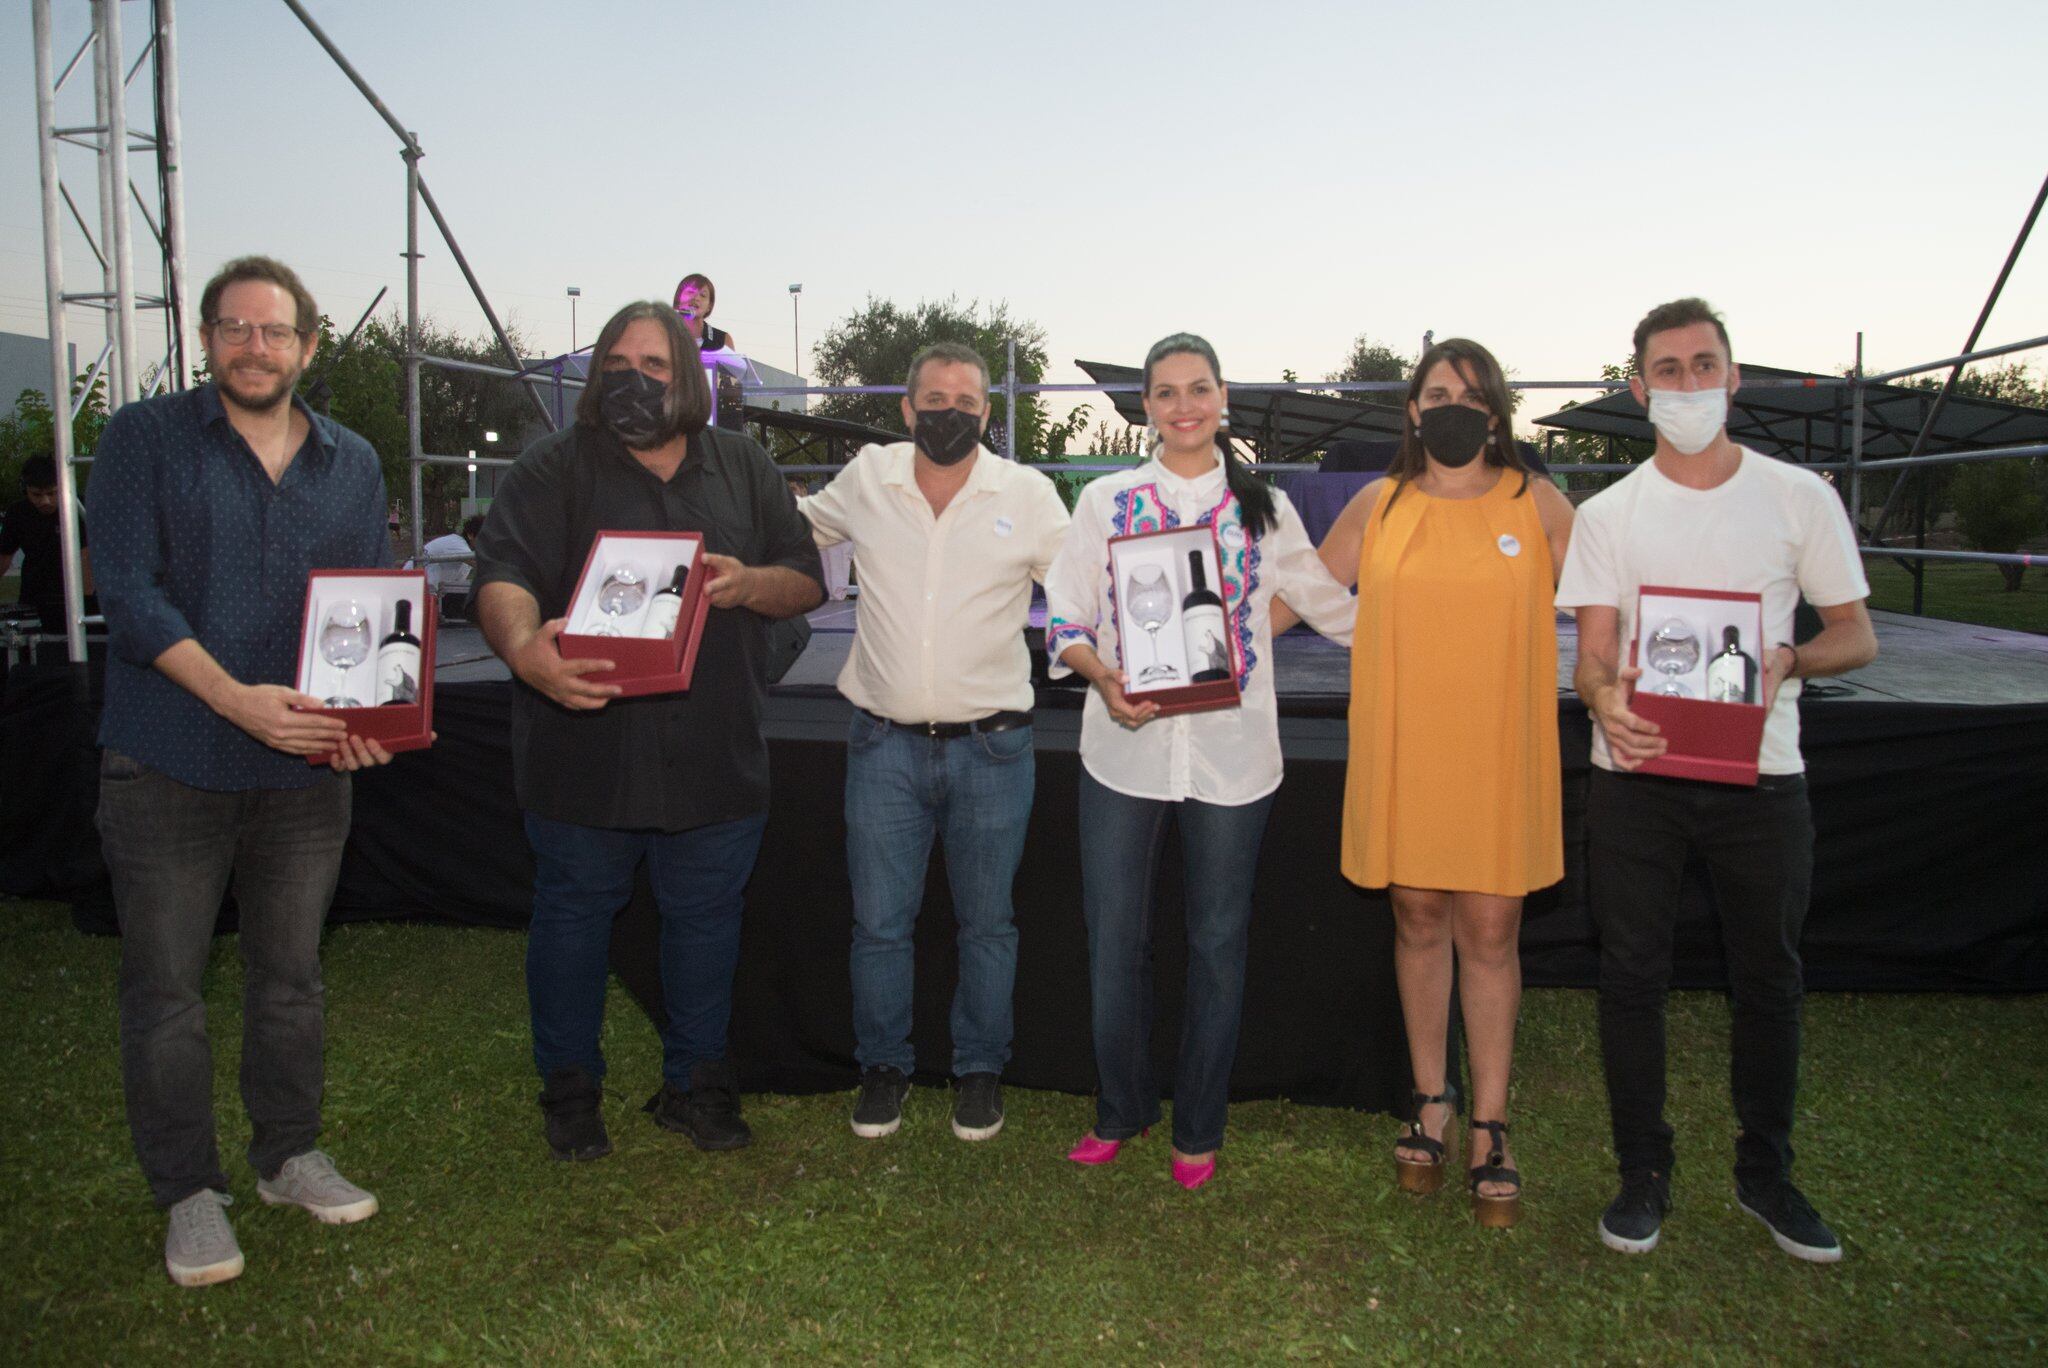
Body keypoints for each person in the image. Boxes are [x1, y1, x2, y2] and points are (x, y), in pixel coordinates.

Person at [85, 255, 397, 1288]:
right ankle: (188, 1192)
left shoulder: (351, 462)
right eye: (233, 328)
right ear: (206, 339)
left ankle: (286, 1155)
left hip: (304, 774)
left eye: (274, 332)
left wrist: (361, 719)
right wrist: (233, 699)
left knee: (292, 979)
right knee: (167, 990)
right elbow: (129, 595)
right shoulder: (142, 440)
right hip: (169, 755)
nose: (253, 347)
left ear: (309, 346)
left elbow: (359, 608)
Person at [1555, 298, 1877, 1262]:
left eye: (1704, 365)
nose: (1687, 384)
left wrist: (1786, 662)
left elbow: (1856, 633)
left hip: (1764, 777)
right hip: (1636, 778)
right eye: (1668, 368)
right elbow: (1592, 658)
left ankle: (1766, 1173)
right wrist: (1605, 701)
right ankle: (1641, 1171)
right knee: (1631, 977)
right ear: (1639, 384)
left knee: (1769, 976)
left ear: (1734, 378)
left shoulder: (1798, 498)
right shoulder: (1607, 514)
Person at [473, 300, 823, 1163]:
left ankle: (695, 1085)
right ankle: (570, 1090)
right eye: (618, 365)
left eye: (656, 367)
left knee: (706, 922)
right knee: (572, 920)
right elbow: (503, 570)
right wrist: (523, 648)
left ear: (689, 378)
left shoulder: (743, 466)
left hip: (714, 746)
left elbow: (806, 581)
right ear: (597, 378)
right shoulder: (550, 467)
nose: (636, 380)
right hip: (583, 747)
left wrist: (750, 584)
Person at [1044, 333, 1356, 1190]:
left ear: (1222, 400)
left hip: (1231, 756)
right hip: (1123, 750)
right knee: (1114, 940)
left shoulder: (1266, 508)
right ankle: (1119, 1109)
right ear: (1145, 406)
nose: (1185, 406)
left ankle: (1199, 1126)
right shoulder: (1106, 503)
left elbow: (1331, 606)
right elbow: (1064, 617)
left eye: (1200, 389)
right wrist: (1103, 678)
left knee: (1217, 943)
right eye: (1167, 392)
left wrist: (1424, 646)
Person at [1313, 338, 1574, 1228]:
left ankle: (1491, 1123)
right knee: (1418, 913)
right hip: (1407, 743)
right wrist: (1199, 657)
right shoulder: (1377, 503)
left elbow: (1615, 597)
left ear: (1495, 414)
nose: (1451, 404)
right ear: (1413, 411)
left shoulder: (1536, 500)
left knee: (1491, 928)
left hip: (1498, 747)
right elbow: (1299, 595)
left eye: (1469, 392)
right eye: (1435, 391)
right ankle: (1432, 1099)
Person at [798, 341, 1071, 1141]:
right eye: (934, 399)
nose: (949, 412)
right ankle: (883, 1066)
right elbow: (794, 530)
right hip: (881, 745)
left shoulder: (1026, 492)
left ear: (987, 413)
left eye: (966, 401)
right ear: (908, 409)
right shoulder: (869, 479)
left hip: (993, 749)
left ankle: (979, 1070)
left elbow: (1089, 588)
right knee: (880, 923)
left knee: (988, 924)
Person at [1, 454, 92, 631]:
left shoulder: (80, 509)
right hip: (33, 599)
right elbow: (4, 556)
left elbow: (87, 559)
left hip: (76, 601)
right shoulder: (17, 513)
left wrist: (83, 604)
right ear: (24, 489)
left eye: (52, 493)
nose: (45, 501)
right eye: (37, 494)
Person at [422, 514, 484, 618]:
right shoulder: (458, 545)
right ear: (470, 535)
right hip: (421, 592)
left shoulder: (467, 551)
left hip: (434, 594)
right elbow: (483, 565)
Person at [673, 274, 734, 354]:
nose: (696, 298)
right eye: (691, 292)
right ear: (678, 298)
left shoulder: (722, 340)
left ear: (709, 306)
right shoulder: (664, 333)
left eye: (703, 295)